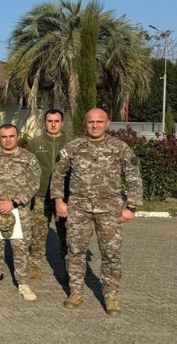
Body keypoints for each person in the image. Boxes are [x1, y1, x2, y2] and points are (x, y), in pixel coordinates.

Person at [51, 108, 142, 316]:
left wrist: (131, 207)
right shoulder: (73, 147)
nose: (95, 125)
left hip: (109, 210)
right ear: (86, 124)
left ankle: (110, 297)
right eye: (91, 122)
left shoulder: (120, 148)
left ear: (107, 123)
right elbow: (58, 174)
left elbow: (134, 177)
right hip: (79, 209)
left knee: (111, 253)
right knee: (74, 251)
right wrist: (59, 200)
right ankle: (75, 292)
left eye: (99, 122)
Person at [0, 124, 40, 301]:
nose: (8, 139)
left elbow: (34, 183)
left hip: (19, 210)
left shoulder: (29, 158)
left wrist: (14, 202)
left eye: (11, 136)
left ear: (17, 136)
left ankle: (23, 283)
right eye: (4, 137)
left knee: (20, 247)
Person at [26, 109, 71, 278]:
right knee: (38, 232)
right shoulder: (35, 143)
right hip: (40, 195)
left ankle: (69, 268)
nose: (53, 124)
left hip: (64, 197)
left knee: (66, 233)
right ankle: (35, 265)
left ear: (62, 123)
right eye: (50, 121)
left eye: (56, 121)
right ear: (45, 123)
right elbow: (28, 169)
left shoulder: (71, 143)